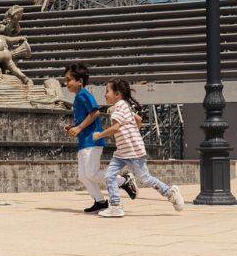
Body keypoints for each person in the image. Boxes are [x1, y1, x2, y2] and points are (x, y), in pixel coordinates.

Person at [94, 78, 185, 217]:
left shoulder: (119, 106)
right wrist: (133, 132)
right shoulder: (124, 106)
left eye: (107, 91)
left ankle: (170, 193)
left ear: (117, 94)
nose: (105, 94)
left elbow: (116, 127)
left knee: (145, 179)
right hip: (122, 152)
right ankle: (115, 206)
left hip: (133, 152)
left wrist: (100, 135)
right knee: (109, 175)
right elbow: (139, 119)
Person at [64, 63, 137, 213]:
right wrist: (73, 127)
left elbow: (95, 113)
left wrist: (79, 128)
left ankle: (124, 181)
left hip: (92, 140)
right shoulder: (78, 97)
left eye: (69, 80)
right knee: (83, 176)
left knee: (91, 173)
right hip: (84, 142)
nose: (66, 83)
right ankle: (100, 202)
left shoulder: (84, 94)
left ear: (80, 81)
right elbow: (85, 118)